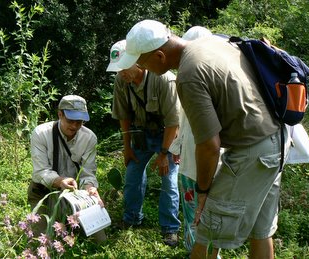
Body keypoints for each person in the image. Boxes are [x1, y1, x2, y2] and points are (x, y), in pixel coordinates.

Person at [116, 20, 292, 258]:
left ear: (159, 56)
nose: (140, 67)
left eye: (141, 62)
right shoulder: (214, 42)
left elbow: (209, 145)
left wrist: (203, 191)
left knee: (207, 230)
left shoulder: (188, 74)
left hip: (253, 151)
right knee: (261, 231)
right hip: (278, 139)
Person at [106, 40, 181, 246]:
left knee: (169, 179)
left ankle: (170, 228)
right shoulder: (121, 81)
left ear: (137, 62)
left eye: (123, 68)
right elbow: (124, 116)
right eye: (117, 69)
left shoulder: (164, 80)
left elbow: (174, 122)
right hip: (139, 134)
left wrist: (165, 154)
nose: (120, 73)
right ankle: (131, 218)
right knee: (132, 176)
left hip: (167, 135)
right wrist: (127, 147)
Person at [168, 26, 224, 256]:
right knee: (208, 214)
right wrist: (176, 146)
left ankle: (203, 253)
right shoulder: (220, 76)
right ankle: (206, 253)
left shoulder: (192, 77)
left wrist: (176, 146)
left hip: (201, 162)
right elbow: (181, 118)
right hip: (207, 163)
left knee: (199, 213)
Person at [28, 94, 106, 243]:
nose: (74, 127)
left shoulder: (89, 138)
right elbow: (40, 172)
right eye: (70, 121)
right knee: (43, 241)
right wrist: (59, 181)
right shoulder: (41, 133)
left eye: (79, 122)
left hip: (75, 196)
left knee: (99, 241)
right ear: (60, 114)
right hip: (43, 192)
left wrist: (90, 189)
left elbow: (88, 172)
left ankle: (68, 220)